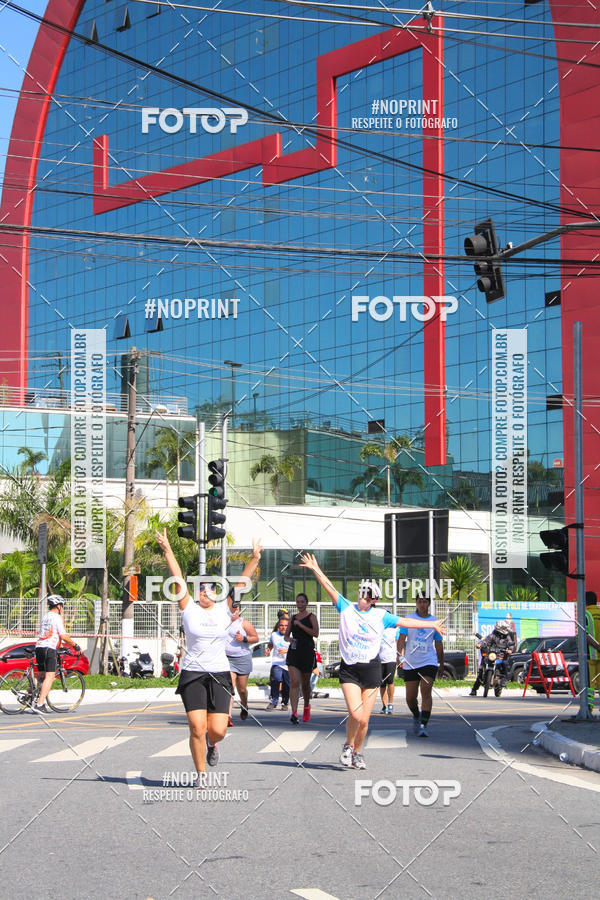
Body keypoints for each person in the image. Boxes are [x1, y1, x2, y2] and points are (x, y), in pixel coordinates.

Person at [300, 553, 446, 770]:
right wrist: (315, 569)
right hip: (350, 669)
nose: (364, 597)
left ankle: (357, 752)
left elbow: (405, 621)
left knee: (365, 720)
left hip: (371, 670)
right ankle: (348, 746)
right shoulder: (346, 608)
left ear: (374, 600)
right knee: (356, 714)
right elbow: (329, 586)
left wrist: (431, 626)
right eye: (362, 593)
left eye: (369, 596)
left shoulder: (381, 616)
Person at [156, 529, 262, 775]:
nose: (205, 591)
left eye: (210, 588)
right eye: (201, 588)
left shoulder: (224, 610)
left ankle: (213, 745)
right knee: (196, 726)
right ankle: (201, 774)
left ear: (216, 592)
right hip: (193, 672)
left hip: (219, 673)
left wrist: (254, 558)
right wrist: (167, 549)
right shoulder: (188, 609)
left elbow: (241, 584)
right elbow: (177, 576)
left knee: (218, 730)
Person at [397, 595, 444, 736]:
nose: (422, 604)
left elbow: (439, 643)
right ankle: (416, 715)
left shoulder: (434, 621)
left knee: (426, 690)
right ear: (416, 603)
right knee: (410, 698)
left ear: (429, 603)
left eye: (424, 602)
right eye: (419, 601)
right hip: (411, 662)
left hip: (428, 661)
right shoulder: (409, 618)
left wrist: (441, 663)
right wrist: (400, 656)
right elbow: (401, 640)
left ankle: (423, 725)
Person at [29, 594, 80, 714]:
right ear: (58, 606)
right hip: (49, 648)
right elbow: (63, 635)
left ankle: (27, 695)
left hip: (40, 647)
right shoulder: (57, 617)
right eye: (62, 606)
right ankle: (40, 704)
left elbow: (49, 633)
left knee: (40, 675)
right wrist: (74, 645)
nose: (62, 608)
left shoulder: (45, 616)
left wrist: (60, 645)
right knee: (50, 677)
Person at [285, 592, 319, 724]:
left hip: (307, 652)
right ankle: (293, 712)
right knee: (294, 682)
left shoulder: (311, 617)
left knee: (305, 685)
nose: (299, 604)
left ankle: (306, 706)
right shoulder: (292, 618)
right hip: (294, 652)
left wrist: (301, 625)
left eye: (302, 602)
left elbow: (315, 633)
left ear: (307, 603)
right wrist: (289, 639)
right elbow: (286, 635)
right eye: (298, 602)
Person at [225, 603, 258, 725]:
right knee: (230, 687)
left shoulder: (244, 623)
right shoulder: (224, 622)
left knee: (242, 689)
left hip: (243, 658)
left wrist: (244, 639)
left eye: (236, 609)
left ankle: (244, 705)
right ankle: (228, 716)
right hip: (228, 658)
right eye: (231, 609)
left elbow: (255, 638)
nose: (233, 611)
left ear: (239, 610)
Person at [469, 621, 514, 696]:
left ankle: (504, 680)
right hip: (491, 654)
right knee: (481, 670)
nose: (506, 630)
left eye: (506, 628)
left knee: (505, 664)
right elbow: (485, 641)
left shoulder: (507, 637)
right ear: (499, 628)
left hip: (501, 655)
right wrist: (480, 644)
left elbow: (510, 644)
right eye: (504, 628)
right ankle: (474, 689)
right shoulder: (492, 635)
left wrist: (510, 649)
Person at [266, 615, 290, 710]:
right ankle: (273, 701)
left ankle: (285, 702)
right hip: (277, 662)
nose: (284, 627)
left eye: (286, 625)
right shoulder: (274, 635)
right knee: (275, 680)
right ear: (278, 626)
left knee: (287, 684)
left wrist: (287, 651)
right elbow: (271, 643)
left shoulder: (292, 636)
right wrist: (269, 649)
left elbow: (297, 649)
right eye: (281, 625)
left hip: (288, 664)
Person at [379, 623, 399, 715]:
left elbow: (399, 643)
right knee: (382, 683)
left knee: (390, 681)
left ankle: (390, 703)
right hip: (379, 659)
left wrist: (400, 656)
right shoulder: (377, 629)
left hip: (390, 659)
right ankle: (384, 705)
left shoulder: (394, 631)